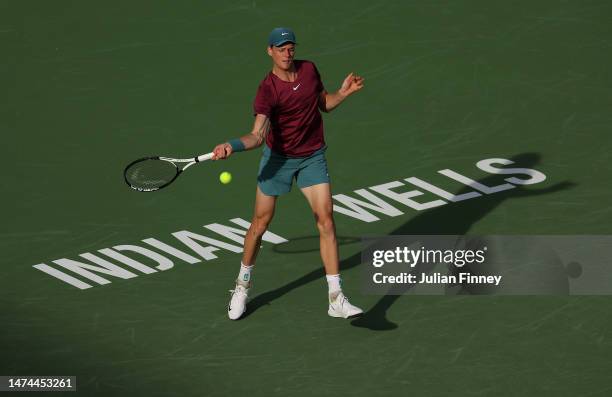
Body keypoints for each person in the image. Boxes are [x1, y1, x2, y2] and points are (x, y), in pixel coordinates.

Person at [212, 27, 364, 320]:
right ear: (270, 51)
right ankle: (242, 286)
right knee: (260, 224)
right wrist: (232, 145)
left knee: (326, 219)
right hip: (278, 160)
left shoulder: (309, 70)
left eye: (290, 46)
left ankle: (336, 298)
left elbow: (324, 105)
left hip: (312, 156)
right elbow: (257, 136)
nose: (287, 52)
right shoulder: (267, 89)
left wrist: (343, 93)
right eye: (280, 48)